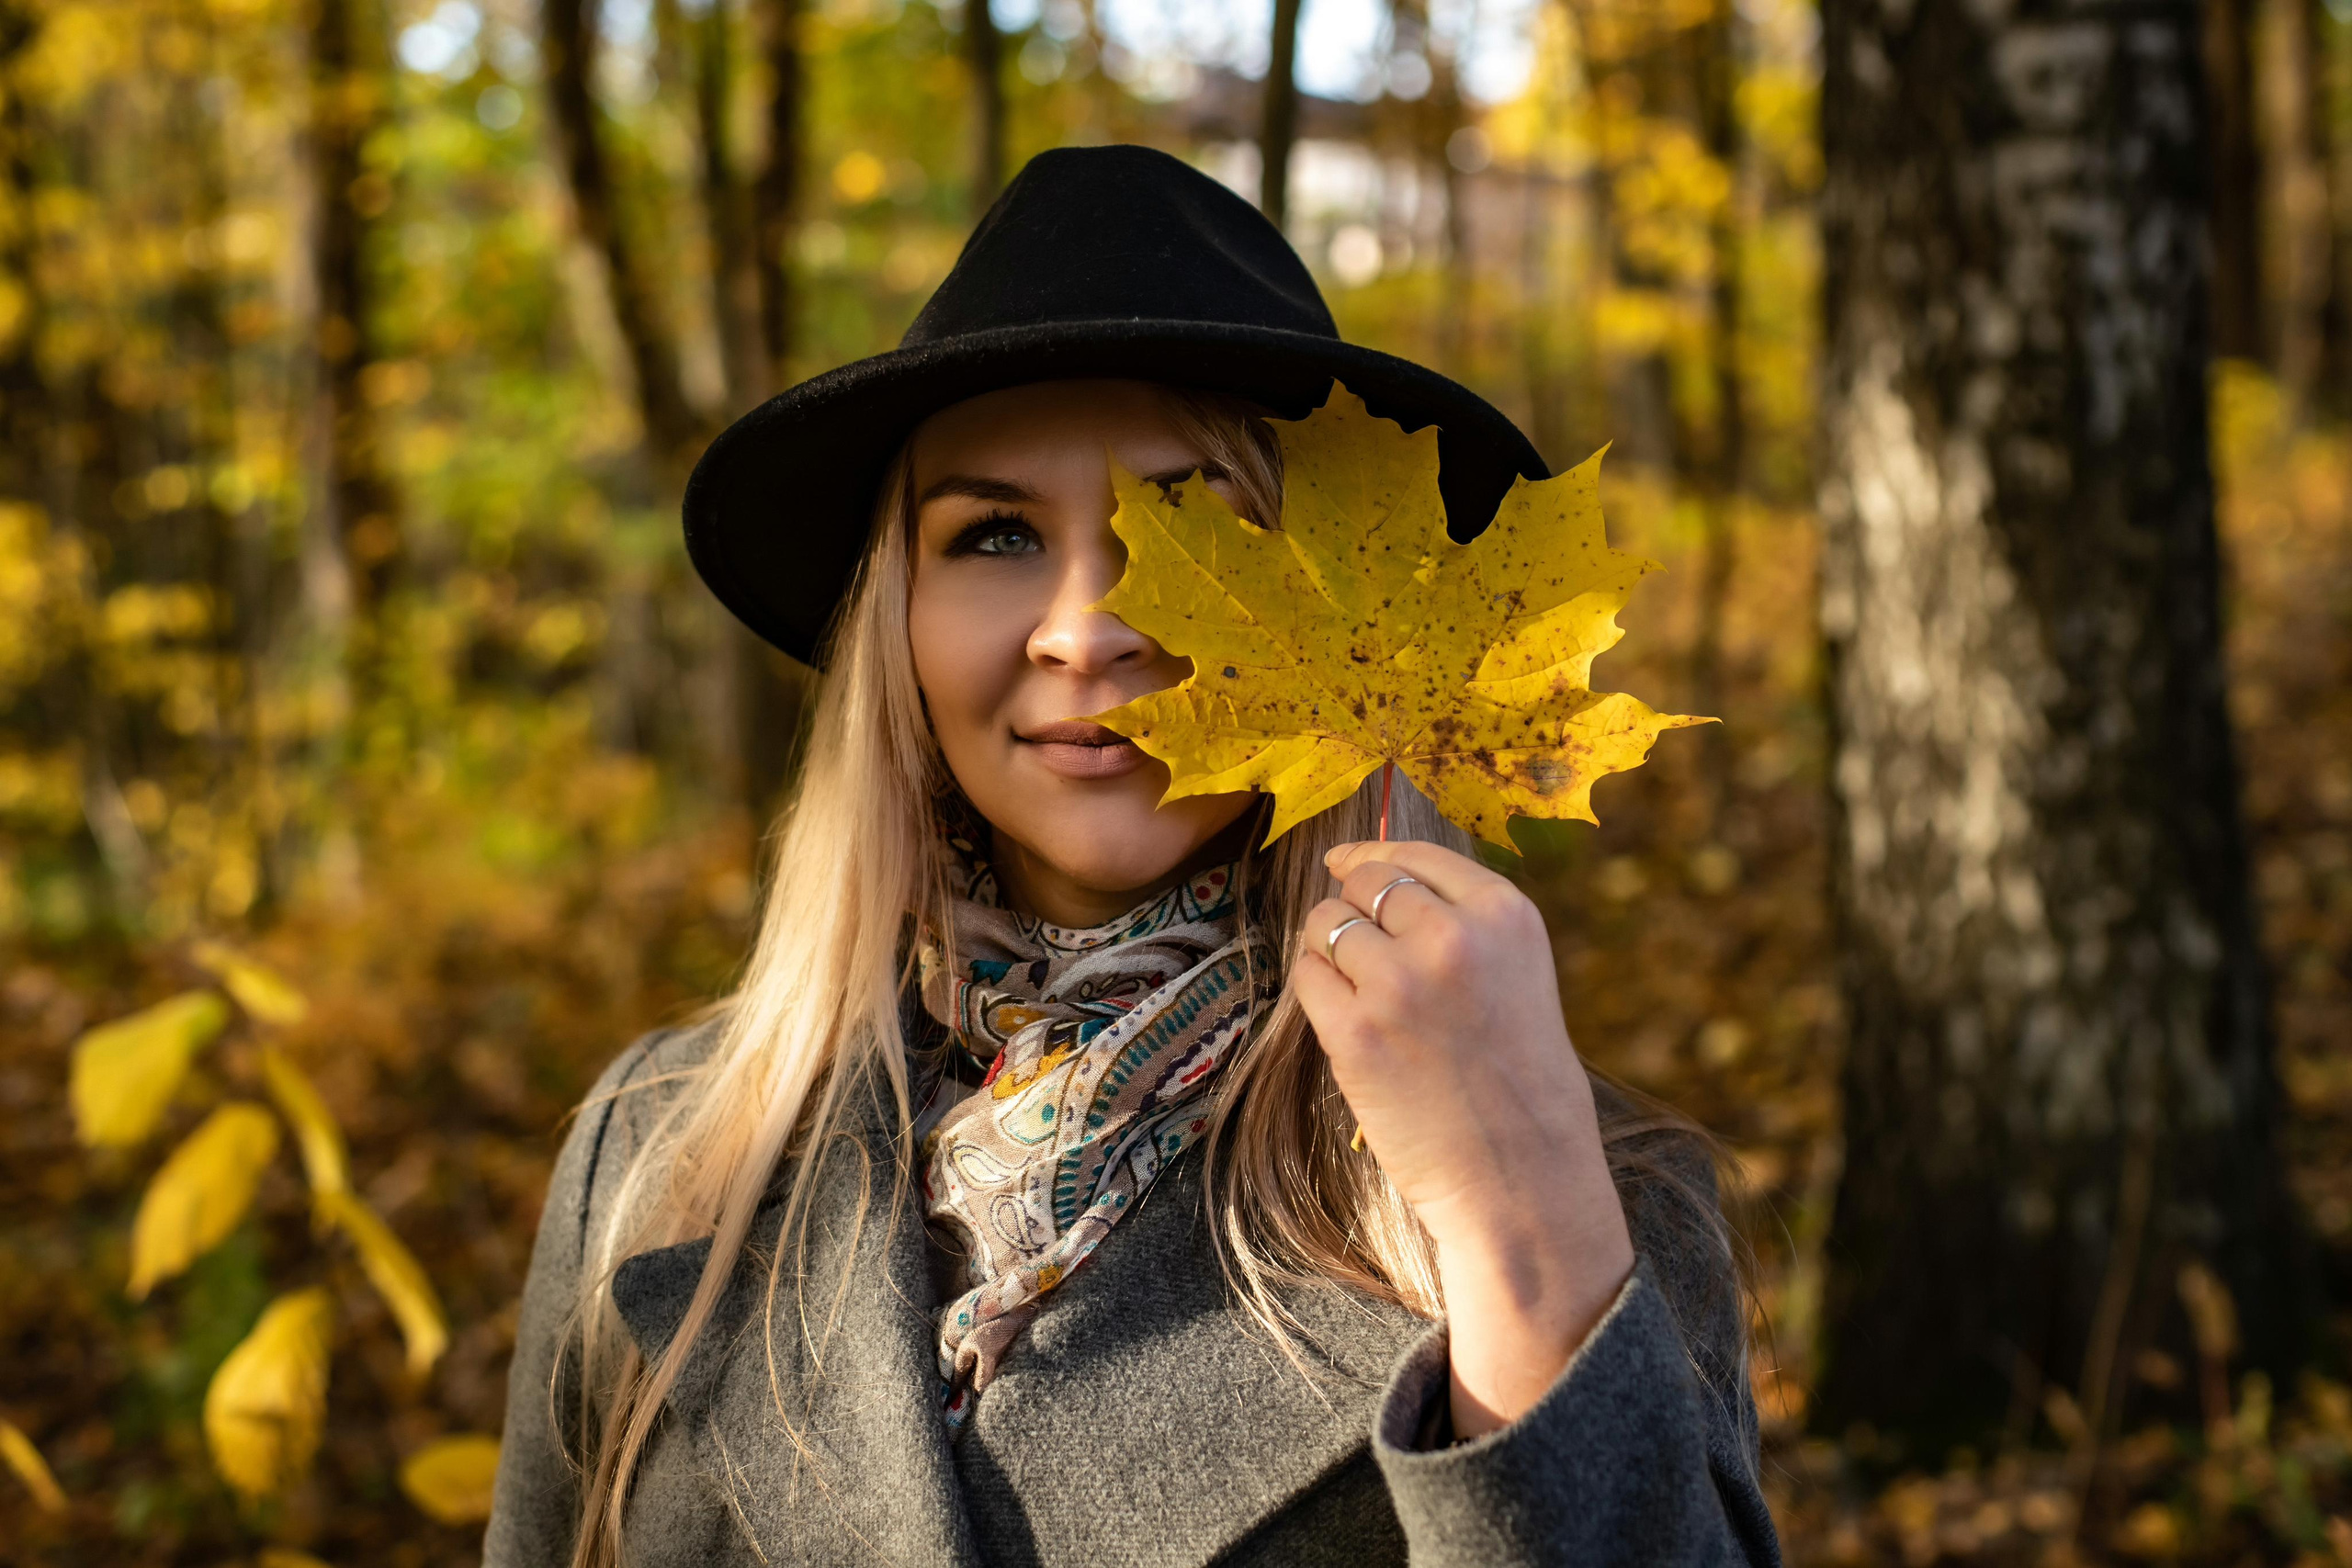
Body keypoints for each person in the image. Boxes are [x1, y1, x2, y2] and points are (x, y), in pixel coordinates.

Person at [485, 143, 1780, 1568]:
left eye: (1200, 529)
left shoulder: (1586, 1186)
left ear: (1347, 610)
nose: (1088, 626)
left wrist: (1521, 1225)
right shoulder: (667, 1149)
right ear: (893, 628)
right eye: (992, 535)